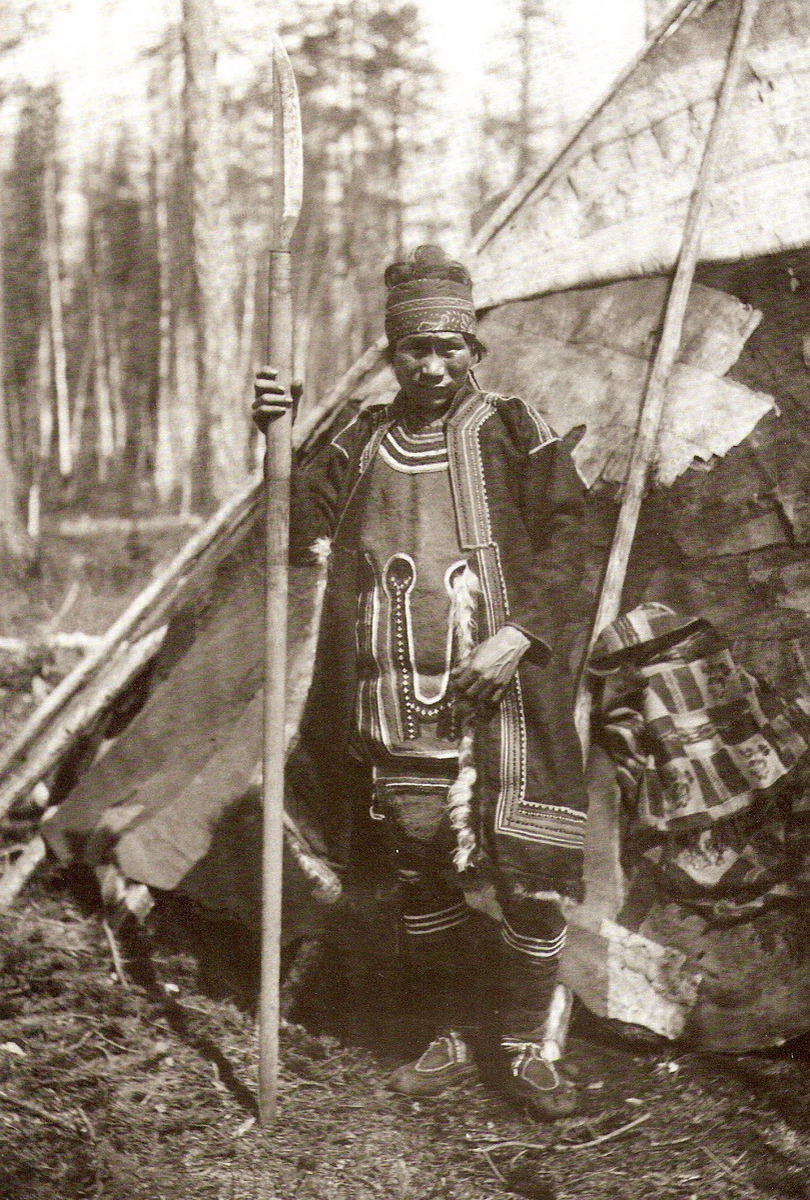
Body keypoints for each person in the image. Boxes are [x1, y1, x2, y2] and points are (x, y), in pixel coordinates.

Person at [253, 244, 588, 1118]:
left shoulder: (517, 428)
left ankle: (521, 1046)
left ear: (474, 348)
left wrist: (518, 632)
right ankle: (445, 1031)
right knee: (424, 869)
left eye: (449, 347)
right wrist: (275, 440)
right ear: (390, 353)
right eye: (414, 350)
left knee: (530, 872)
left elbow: (569, 541)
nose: (432, 365)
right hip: (393, 696)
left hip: (505, 694)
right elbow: (294, 534)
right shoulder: (361, 437)